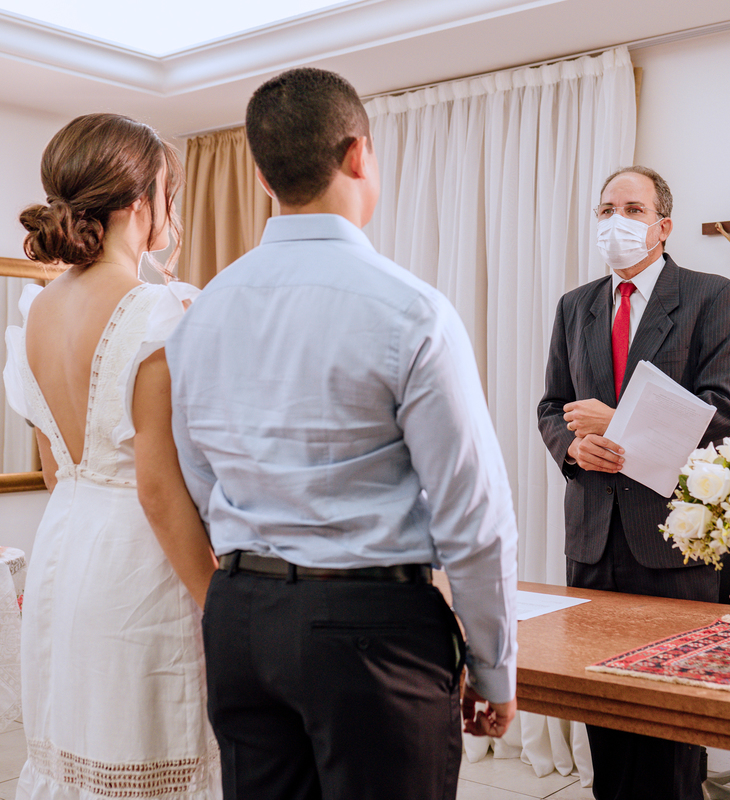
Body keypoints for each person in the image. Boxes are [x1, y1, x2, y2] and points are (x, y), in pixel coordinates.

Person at [164, 67, 519, 800]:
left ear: (264, 177)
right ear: (359, 154)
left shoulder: (201, 311)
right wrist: (494, 665)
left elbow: (201, 477)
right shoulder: (411, 310)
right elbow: (472, 512)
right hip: (370, 629)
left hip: (239, 620)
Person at [4, 113, 220, 799]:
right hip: (139, 567)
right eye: (169, 195)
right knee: (154, 749)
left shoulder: (37, 310)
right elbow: (158, 491)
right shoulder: (157, 310)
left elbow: (50, 470)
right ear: (140, 203)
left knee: (75, 757)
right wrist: (220, 602)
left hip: (65, 551)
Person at [537, 166, 730, 800]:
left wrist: (618, 421)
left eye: (632, 208)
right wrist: (574, 446)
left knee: (672, 722)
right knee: (606, 713)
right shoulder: (575, 306)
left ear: (664, 225)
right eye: (606, 209)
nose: (615, 221)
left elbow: (724, 409)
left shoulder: (713, 295)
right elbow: (553, 406)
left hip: (672, 538)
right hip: (593, 542)